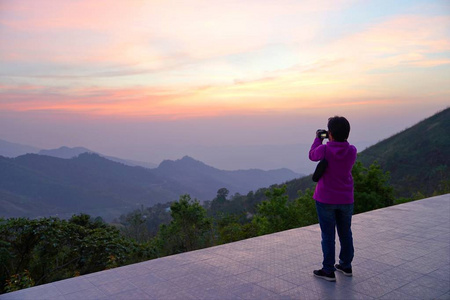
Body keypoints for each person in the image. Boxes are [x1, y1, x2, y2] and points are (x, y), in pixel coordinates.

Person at [309, 116, 357, 282]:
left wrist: (317, 139)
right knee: (345, 233)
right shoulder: (352, 150)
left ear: (330, 133)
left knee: (328, 235)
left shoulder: (325, 150)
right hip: (346, 198)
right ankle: (346, 265)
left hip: (325, 199)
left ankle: (328, 270)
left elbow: (311, 155)